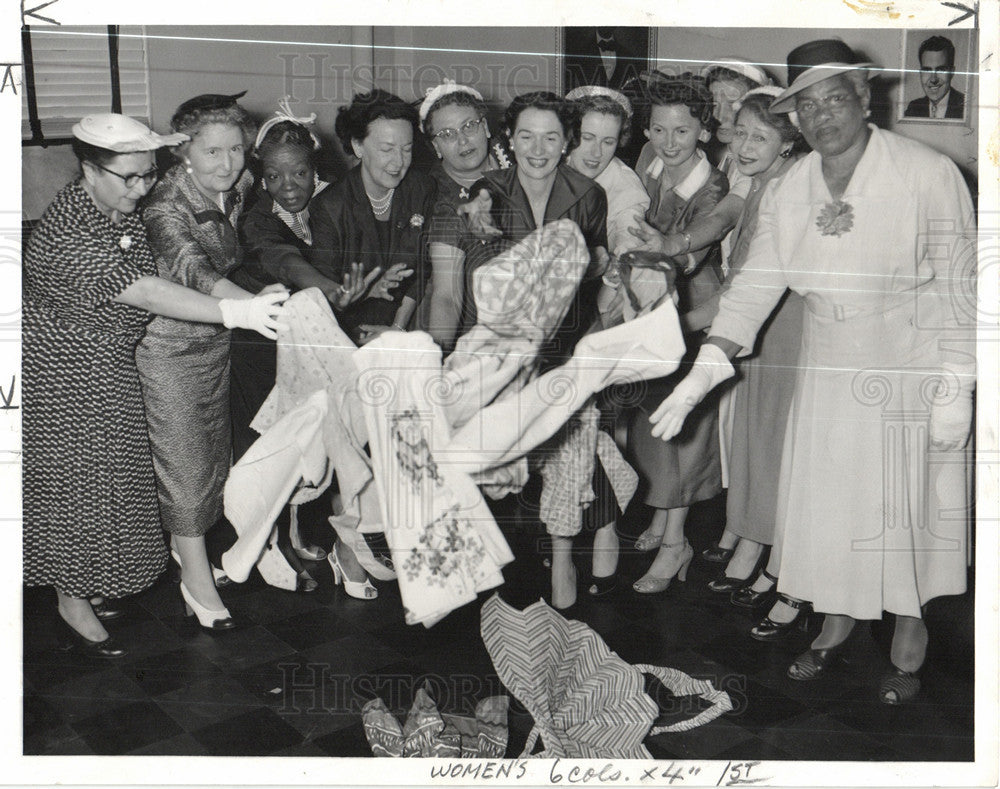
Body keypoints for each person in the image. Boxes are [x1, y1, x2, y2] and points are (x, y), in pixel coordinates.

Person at [649, 40, 975, 704]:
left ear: (865, 98)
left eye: (837, 98)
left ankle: (908, 616)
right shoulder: (791, 187)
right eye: (810, 104)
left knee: (899, 500)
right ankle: (836, 616)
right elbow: (754, 286)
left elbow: (965, 286)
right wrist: (704, 367)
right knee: (831, 500)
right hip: (826, 358)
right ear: (794, 117)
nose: (824, 115)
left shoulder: (926, 171)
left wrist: (958, 385)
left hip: (909, 358)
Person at [22, 114, 286, 657]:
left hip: (110, 363)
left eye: (148, 175)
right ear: (90, 170)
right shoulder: (69, 232)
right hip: (68, 372)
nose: (143, 188)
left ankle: (85, 585)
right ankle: (71, 598)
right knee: (80, 487)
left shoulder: (106, 207)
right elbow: (146, 290)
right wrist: (232, 311)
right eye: (130, 178)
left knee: (112, 485)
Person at [457, 91, 610, 609]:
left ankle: (563, 552)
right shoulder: (488, 189)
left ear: (568, 142)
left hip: (563, 341)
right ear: (510, 140)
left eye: (551, 137)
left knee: (570, 447)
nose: (537, 149)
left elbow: (589, 277)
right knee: (490, 456)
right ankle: (479, 558)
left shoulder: (588, 193)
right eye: (526, 135)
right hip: (500, 347)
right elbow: (478, 267)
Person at [135, 92, 279, 631]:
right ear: (183, 153)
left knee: (213, 455)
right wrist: (248, 309)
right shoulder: (163, 206)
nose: (228, 163)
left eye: (237, 149)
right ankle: (195, 577)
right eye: (213, 152)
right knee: (185, 462)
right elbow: (191, 267)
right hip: (169, 347)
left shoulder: (237, 186)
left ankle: (187, 549)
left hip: (218, 339)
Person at [235, 100, 379, 592]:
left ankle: (305, 530)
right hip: (260, 347)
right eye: (274, 176)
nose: (288, 186)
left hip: (320, 338)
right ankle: (269, 542)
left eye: (298, 173)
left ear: (315, 169)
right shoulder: (258, 218)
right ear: (262, 177)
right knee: (274, 442)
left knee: (320, 435)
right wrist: (329, 287)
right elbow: (283, 260)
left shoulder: (335, 204)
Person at [677, 87, 804, 614]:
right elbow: (720, 222)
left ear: (788, 144)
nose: (746, 145)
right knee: (751, 436)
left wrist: (677, 326)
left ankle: (777, 555)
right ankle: (751, 537)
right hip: (757, 322)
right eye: (742, 133)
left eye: (761, 136)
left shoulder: (791, 188)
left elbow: (743, 290)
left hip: (784, 325)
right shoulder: (756, 180)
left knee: (776, 442)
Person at [308, 89, 437, 597]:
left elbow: (424, 269)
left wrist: (401, 326)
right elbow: (326, 294)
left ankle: (395, 544)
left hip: (405, 330)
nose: (398, 161)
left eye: (406, 148)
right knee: (354, 447)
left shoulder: (422, 190)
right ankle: (348, 544)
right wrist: (360, 306)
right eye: (385, 148)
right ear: (357, 147)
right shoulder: (331, 207)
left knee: (404, 447)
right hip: (346, 336)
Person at [627, 75, 729, 594]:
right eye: (660, 130)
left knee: (683, 433)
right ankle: (663, 520)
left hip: (693, 310)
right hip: (650, 304)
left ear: (703, 132)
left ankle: (677, 542)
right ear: (648, 129)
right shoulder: (647, 160)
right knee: (653, 426)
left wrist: (659, 254)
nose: (670, 143)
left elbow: (696, 254)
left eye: (683, 132)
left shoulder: (712, 186)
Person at [562, 84, 650, 600]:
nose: (595, 152)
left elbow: (627, 234)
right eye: (587, 137)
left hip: (603, 313)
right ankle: (562, 528)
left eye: (609, 141)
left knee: (600, 425)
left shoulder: (626, 185)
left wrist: (613, 261)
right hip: (549, 313)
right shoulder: (548, 161)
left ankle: (605, 525)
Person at [419, 80, 509, 350]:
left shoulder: (516, 158)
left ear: (485, 127)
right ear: (436, 147)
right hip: (473, 333)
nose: (462, 141)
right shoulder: (440, 198)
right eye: (447, 134)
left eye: (469, 126)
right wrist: (437, 360)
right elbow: (447, 296)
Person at [904, 35, 965, 119]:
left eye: (940, 70)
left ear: (952, 72)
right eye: (927, 70)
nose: (933, 79)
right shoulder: (914, 108)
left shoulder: (966, 107)